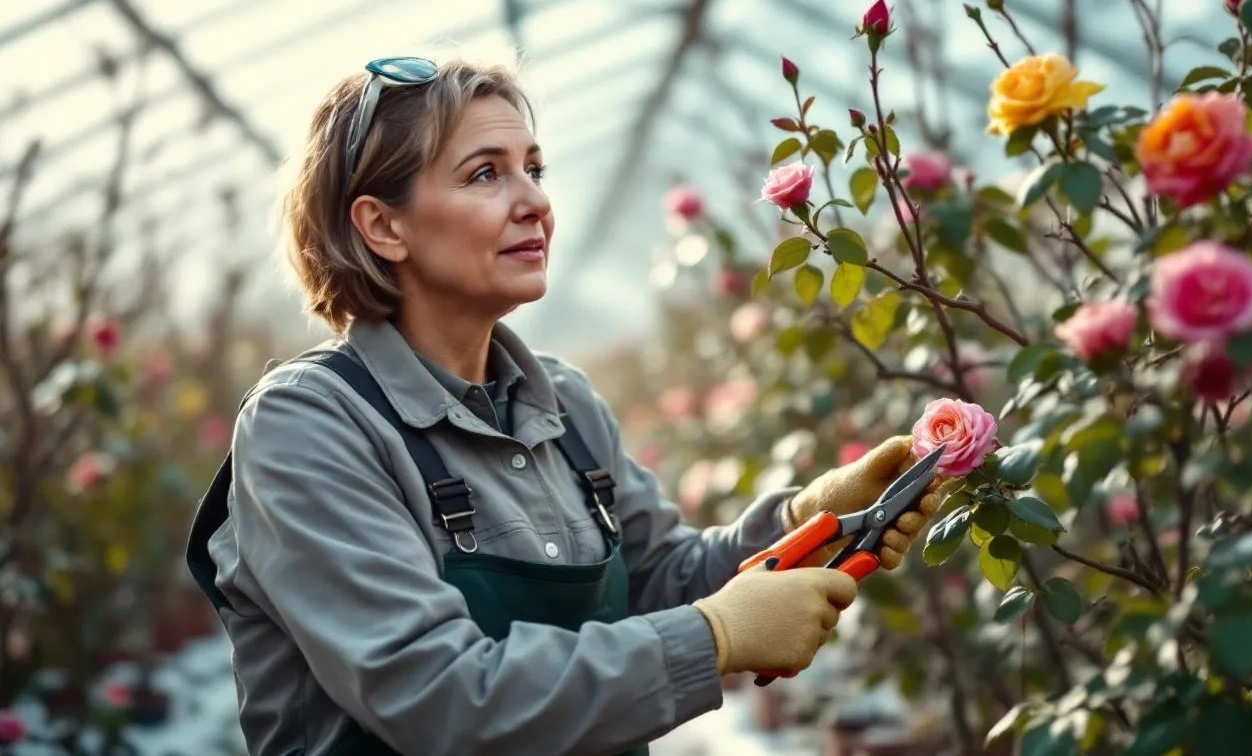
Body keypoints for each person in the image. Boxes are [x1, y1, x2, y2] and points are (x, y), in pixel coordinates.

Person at [185, 55, 947, 756]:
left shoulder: (565, 406)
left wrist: (803, 523)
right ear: (383, 226)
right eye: (485, 175)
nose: (535, 204)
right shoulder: (311, 425)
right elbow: (439, 695)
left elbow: (660, 580)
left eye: (534, 169)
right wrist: (712, 637)